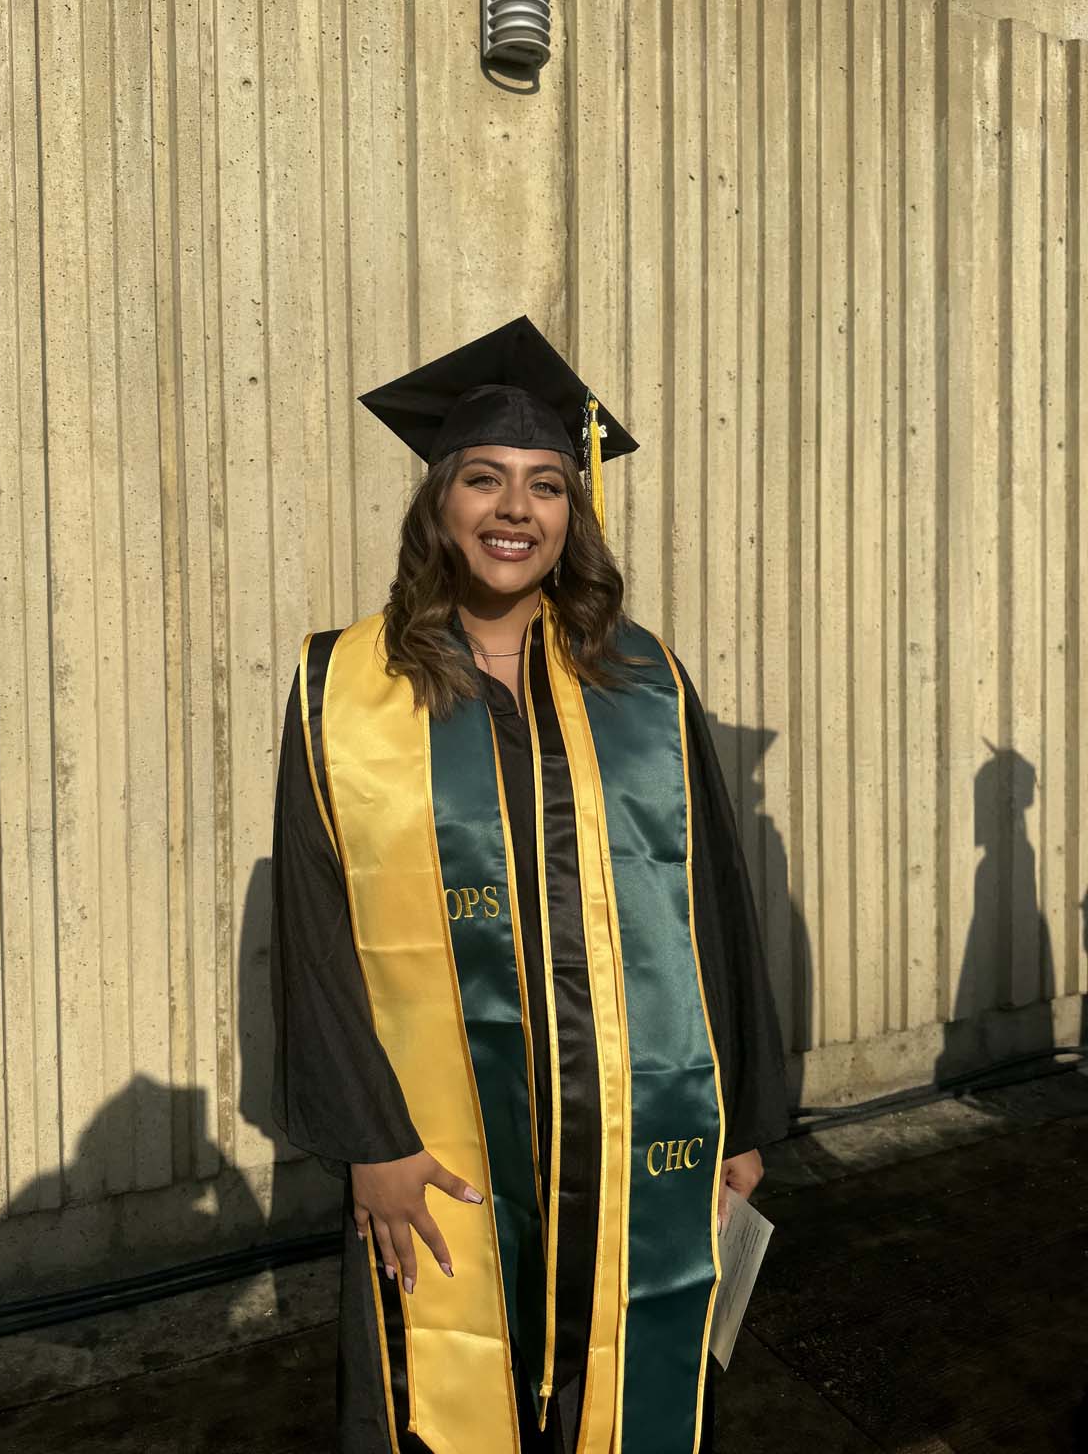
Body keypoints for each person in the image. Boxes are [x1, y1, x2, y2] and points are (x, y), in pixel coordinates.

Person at [270, 315, 788, 1454]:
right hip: (442, 1147)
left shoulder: (640, 679)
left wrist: (737, 1117)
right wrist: (370, 1141)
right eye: (487, 479)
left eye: (548, 484)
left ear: (574, 513)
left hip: (631, 1133)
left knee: (620, 1388)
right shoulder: (343, 689)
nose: (517, 509)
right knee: (444, 1397)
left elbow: (711, 905)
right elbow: (316, 931)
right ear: (439, 504)